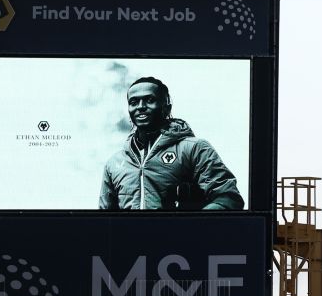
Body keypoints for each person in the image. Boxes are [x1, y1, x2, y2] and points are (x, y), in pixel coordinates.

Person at [99, 76, 244, 210]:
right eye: (134, 102)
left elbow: (228, 199)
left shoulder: (194, 149)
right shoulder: (115, 163)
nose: (140, 106)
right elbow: (104, 221)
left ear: (166, 107)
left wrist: (190, 226)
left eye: (149, 100)